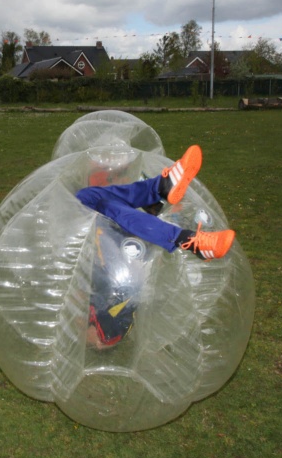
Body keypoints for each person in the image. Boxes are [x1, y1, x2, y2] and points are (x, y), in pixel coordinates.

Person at [76, 145, 236, 349]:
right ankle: (180, 227)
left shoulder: (98, 302)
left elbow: (83, 313)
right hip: (125, 266)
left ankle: (162, 189)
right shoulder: (111, 321)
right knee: (97, 202)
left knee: (92, 198)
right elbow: (99, 339)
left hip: (116, 258)